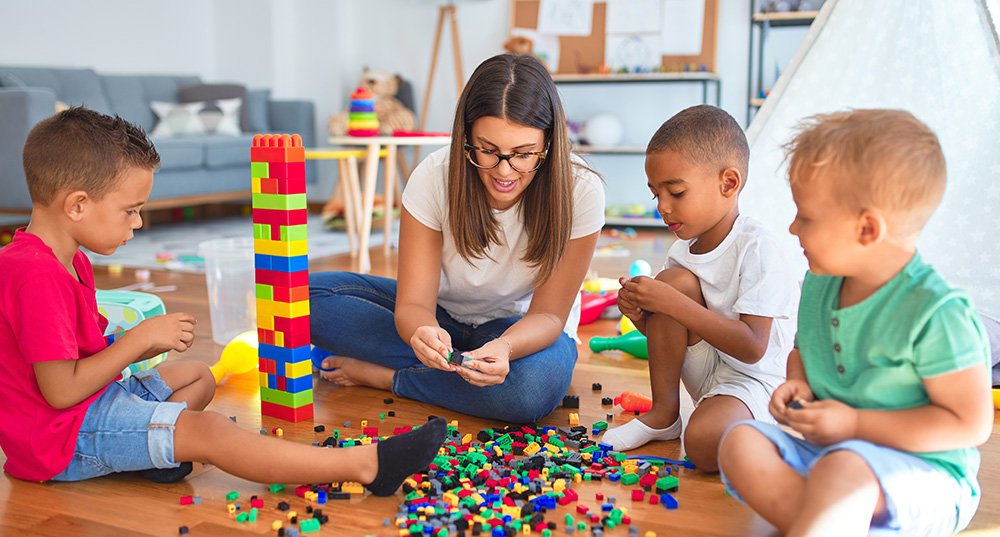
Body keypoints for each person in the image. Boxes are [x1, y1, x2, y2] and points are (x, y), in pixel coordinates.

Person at [0, 107, 445, 493]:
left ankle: (154, 448)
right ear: (77, 205)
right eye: (130, 210)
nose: (137, 224)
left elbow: (76, 352)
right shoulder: (35, 275)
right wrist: (138, 339)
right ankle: (366, 466)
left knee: (198, 376)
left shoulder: (68, 259)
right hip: (59, 439)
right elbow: (61, 391)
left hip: (89, 406)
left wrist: (137, 346)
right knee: (210, 430)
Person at [717, 109, 993, 537]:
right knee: (740, 442)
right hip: (831, 455)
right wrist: (798, 385)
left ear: (867, 229)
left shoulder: (937, 312)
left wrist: (855, 425)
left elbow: (969, 424)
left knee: (845, 467)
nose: (792, 228)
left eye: (806, 217)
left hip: (924, 478)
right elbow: (804, 351)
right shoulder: (819, 282)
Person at [309, 54, 605, 424]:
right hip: (442, 318)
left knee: (528, 391)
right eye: (488, 150)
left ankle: (390, 377)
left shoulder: (581, 190)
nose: (504, 172)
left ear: (549, 144)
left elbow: (548, 315)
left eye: (524, 154)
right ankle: (454, 375)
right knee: (300, 298)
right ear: (466, 137)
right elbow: (414, 304)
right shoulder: (434, 176)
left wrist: (505, 347)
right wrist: (422, 332)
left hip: (519, 330)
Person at [603, 105, 799, 471]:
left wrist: (670, 303)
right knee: (673, 283)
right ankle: (664, 414)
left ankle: (767, 428)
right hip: (709, 371)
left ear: (728, 183)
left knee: (703, 444)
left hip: (756, 380)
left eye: (676, 192)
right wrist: (643, 313)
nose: (663, 207)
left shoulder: (758, 248)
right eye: (655, 195)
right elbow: (668, 335)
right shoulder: (682, 252)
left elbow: (752, 347)